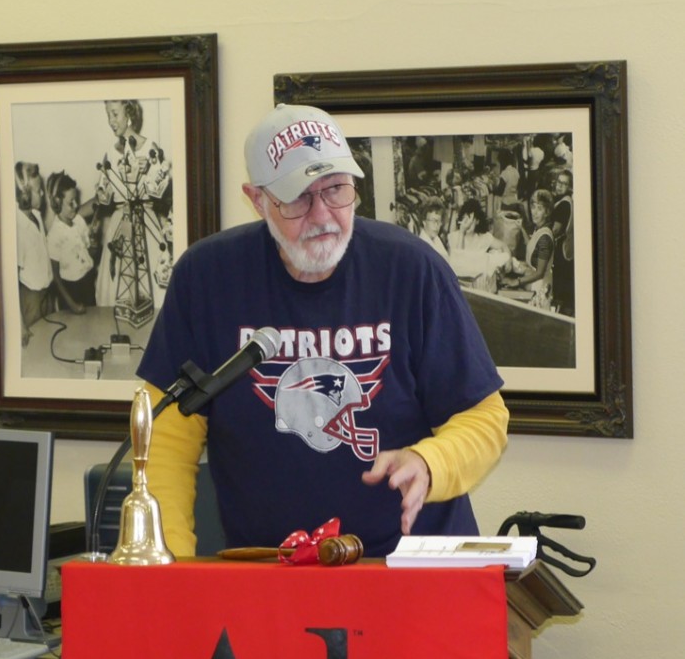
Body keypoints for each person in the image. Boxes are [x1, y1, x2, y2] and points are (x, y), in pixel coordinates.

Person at [137, 103, 509, 558]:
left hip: (408, 563)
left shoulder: (411, 270)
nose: (322, 216)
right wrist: (169, 566)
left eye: (336, 189)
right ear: (257, 199)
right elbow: (166, 439)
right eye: (298, 198)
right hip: (268, 569)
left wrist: (431, 463)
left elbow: (485, 419)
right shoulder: (207, 279)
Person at [94, 100, 173, 309]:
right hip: (120, 223)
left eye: (114, 114)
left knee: (153, 287)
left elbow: (164, 193)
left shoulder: (150, 149)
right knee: (117, 287)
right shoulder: (110, 154)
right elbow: (104, 198)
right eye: (108, 115)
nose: (111, 121)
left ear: (128, 113)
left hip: (146, 222)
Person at [46, 171, 96, 314]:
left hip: (88, 281)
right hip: (71, 291)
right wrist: (72, 305)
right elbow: (56, 277)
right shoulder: (54, 235)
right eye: (70, 202)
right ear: (57, 203)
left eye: (76, 200)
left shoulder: (79, 221)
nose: (76, 205)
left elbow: (88, 253)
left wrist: (94, 245)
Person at [15, 161, 52, 347]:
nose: (43, 194)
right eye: (39, 191)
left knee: (49, 340)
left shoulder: (36, 216)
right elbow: (11, 282)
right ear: (25, 195)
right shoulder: (17, 228)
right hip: (30, 300)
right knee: (35, 348)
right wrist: (21, 325)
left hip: (46, 294)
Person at [504, 188, 555, 310]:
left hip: (540, 287)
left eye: (539, 208)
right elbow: (531, 244)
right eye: (533, 207)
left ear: (547, 212)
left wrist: (516, 281)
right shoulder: (539, 229)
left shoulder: (545, 238)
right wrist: (521, 228)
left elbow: (539, 273)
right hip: (534, 284)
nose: (534, 212)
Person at [551, 169, 574, 315]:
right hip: (567, 247)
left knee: (559, 287)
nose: (559, 186)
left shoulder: (563, 205)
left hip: (561, 249)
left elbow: (555, 230)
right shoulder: (567, 201)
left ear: (569, 187)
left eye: (564, 184)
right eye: (559, 182)